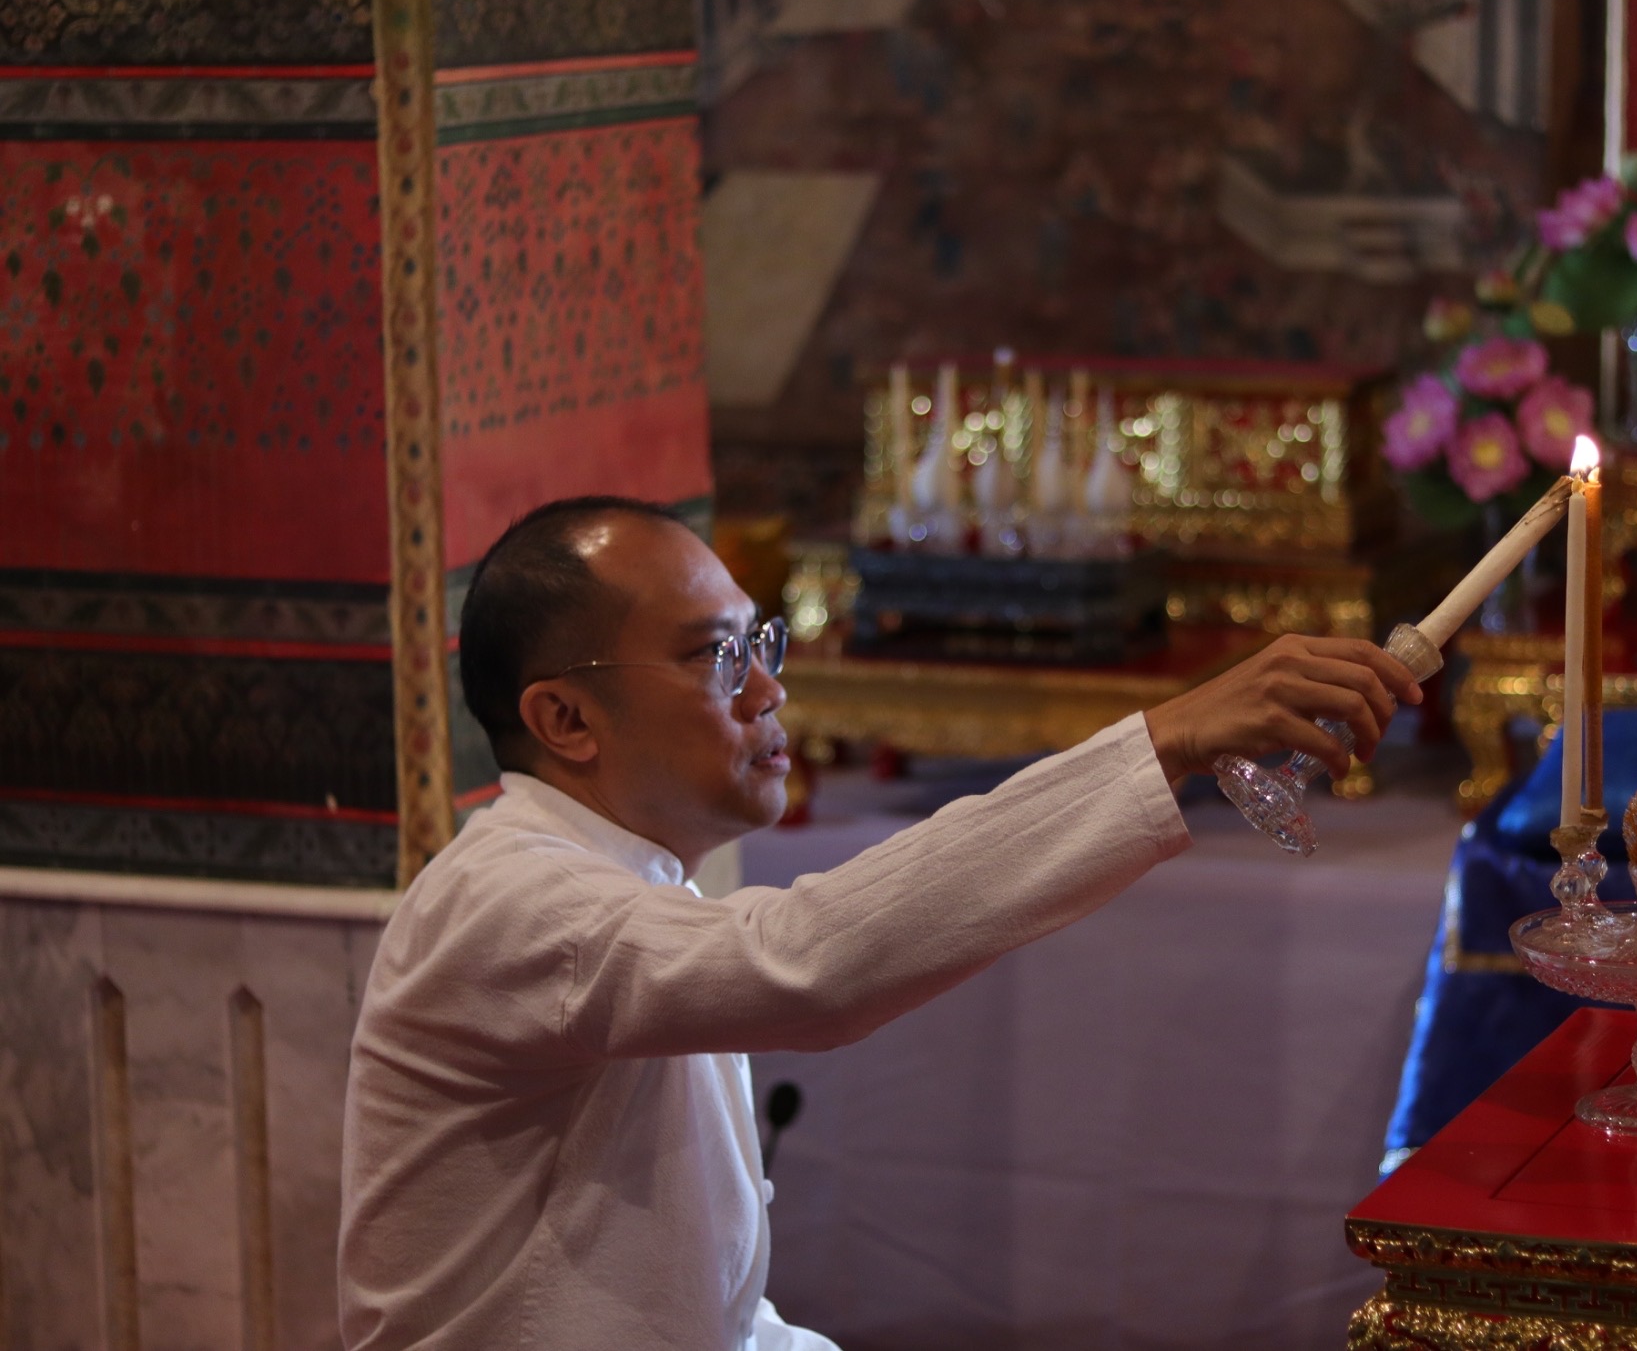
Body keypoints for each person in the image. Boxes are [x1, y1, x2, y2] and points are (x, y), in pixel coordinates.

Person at [337, 496, 1421, 1351]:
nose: (767, 692)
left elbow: (706, 1316)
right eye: (715, 657)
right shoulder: (511, 898)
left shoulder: (631, 885)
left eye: (763, 643)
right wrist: (1163, 740)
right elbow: (801, 966)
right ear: (563, 718)